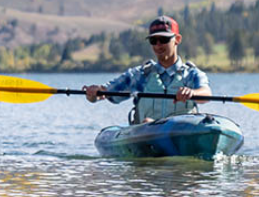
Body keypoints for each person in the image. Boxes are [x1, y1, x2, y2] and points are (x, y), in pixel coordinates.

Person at [82, 16, 211, 124]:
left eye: (164, 39)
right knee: (147, 122)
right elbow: (105, 93)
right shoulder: (138, 75)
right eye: (153, 41)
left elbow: (206, 94)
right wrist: (93, 94)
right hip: (146, 135)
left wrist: (192, 93)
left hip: (182, 136)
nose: (158, 45)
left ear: (177, 39)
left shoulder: (192, 74)